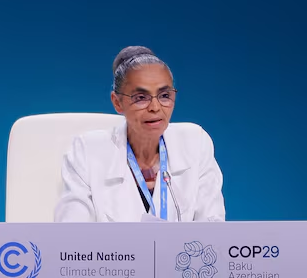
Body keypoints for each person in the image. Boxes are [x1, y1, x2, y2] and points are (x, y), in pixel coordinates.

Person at [54, 46, 225, 222]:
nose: (155, 107)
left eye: (165, 95)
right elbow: (71, 234)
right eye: (141, 98)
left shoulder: (195, 143)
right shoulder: (87, 152)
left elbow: (212, 229)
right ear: (117, 102)